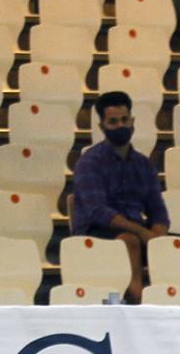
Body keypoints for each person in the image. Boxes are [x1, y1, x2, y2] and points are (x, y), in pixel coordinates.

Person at [72, 91, 172, 304]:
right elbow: (99, 212)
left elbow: (158, 210)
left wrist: (158, 235)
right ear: (102, 127)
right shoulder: (89, 162)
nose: (120, 126)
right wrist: (144, 233)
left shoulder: (143, 164)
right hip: (95, 233)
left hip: (139, 231)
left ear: (132, 121)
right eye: (113, 122)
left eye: (124, 120)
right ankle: (137, 296)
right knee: (129, 240)